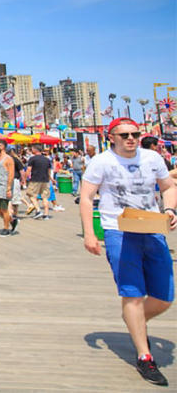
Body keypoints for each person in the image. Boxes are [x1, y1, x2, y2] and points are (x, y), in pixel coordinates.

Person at [79, 117, 176, 386]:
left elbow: (168, 186)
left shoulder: (152, 158)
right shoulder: (102, 162)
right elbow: (86, 197)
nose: (130, 138)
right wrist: (90, 233)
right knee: (132, 293)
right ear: (112, 137)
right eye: (124, 135)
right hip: (118, 230)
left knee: (164, 296)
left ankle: (134, 320)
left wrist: (169, 209)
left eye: (134, 134)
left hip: (153, 228)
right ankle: (145, 356)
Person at [0, 140, 17, 236]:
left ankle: (6, 228)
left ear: (3, 146)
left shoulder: (8, 159)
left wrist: (9, 188)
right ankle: (11, 220)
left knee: (4, 208)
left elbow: (11, 174)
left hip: (4, 186)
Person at [26, 145, 55, 219]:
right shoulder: (47, 159)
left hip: (35, 179)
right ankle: (46, 214)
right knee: (45, 197)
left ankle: (38, 210)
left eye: (32, 149)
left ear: (35, 150)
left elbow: (29, 169)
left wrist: (24, 178)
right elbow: (49, 171)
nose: (31, 150)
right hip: (45, 180)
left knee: (30, 194)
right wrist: (51, 179)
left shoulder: (32, 159)